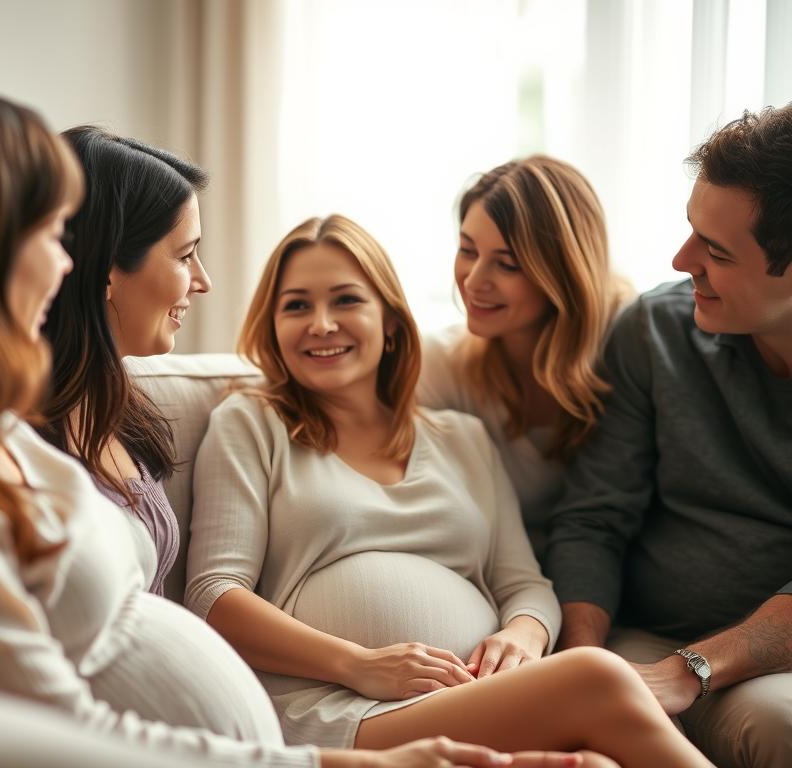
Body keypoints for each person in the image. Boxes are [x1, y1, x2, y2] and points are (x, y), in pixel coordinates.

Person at [0, 76, 584, 768]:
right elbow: (62, 731)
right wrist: (356, 757)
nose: (59, 265)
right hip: (294, 736)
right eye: (43, 234)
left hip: (270, 745)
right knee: (598, 686)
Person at [184, 214, 712, 767]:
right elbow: (216, 593)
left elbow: (524, 584)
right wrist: (358, 663)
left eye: (345, 301)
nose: (320, 324)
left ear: (389, 320)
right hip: (338, 709)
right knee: (597, 673)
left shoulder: (463, 438)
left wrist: (524, 638)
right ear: (272, 326)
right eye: (296, 305)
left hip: (469, 696)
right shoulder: (251, 421)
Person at [545, 106, 792, 768]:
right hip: (643, 642)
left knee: (781, 724)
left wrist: (693, 670)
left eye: (716, 251)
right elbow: (593, 519)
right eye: (692, 232)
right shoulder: (656, 330)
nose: (682, 262)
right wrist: (584, 663)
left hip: (765, 670)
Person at [418, 156, 628, 556]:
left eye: (507, 263)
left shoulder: (628, 346)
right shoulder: (441, 364)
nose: (473, 281)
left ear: (564, 272)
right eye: (467, 250)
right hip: (503, 578)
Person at [39, 126, 211, 597]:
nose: (202, 281)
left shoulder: (119, 408)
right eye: (186, 256)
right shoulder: (18, 438)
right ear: (107, 269)